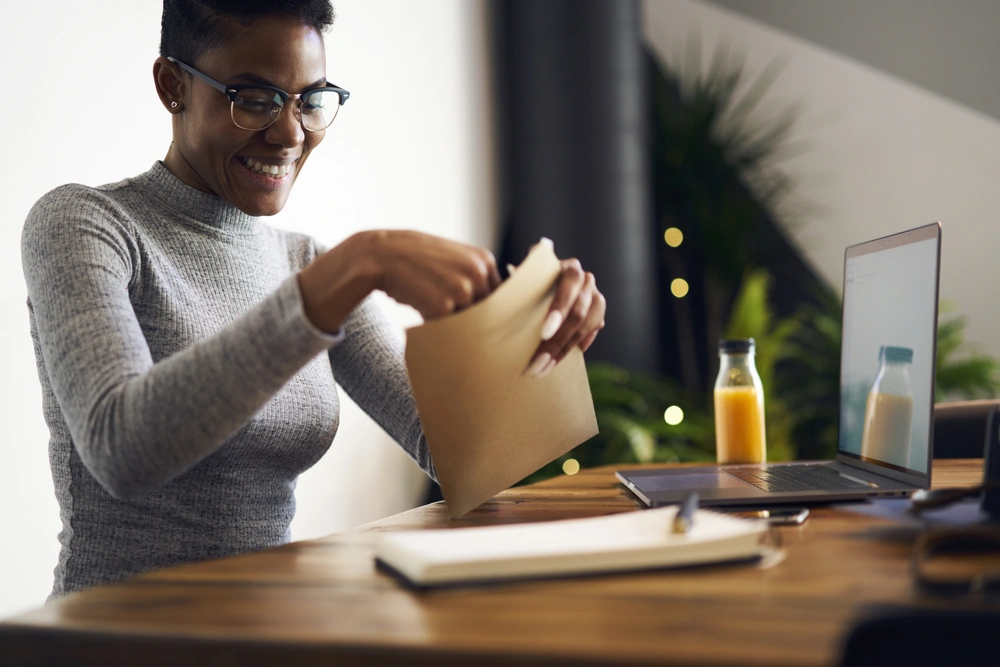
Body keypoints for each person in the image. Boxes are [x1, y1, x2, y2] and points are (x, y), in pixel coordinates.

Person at [20, 0, 606, 598]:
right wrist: (351, 271)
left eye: (310, 100)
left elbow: (461, 458)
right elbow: (123, 450)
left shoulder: (307, 266)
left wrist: (541, 328)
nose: (290, 133)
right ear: (173, 85)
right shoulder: (85, 224)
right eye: (253, 98)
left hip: (275, 638)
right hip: (108, 641)